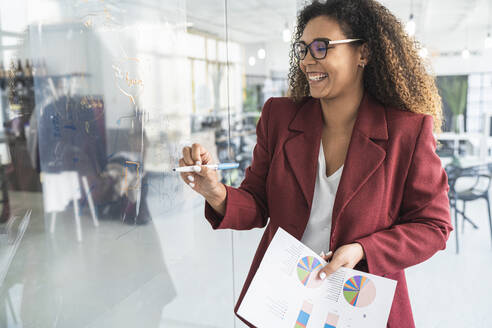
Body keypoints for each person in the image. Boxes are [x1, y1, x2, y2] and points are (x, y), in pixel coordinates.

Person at [179, 0, 453, 327]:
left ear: (362, 54)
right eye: (303, 48)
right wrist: (216, 193)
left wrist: (363, 249)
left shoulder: (406, 131)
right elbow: (257, 203)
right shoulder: (279, 118)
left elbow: (433, 226)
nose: (308, 60)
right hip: (283, 300)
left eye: (322, 47)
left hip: (359, 304)